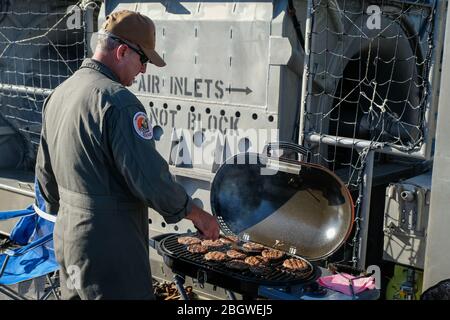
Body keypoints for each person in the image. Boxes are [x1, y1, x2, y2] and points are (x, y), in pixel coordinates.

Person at [35, 10, 220, 300]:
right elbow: (149, 178)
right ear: (122, 51)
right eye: (143, 59)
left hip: (68, 241)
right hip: (110, 250)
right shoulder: (119, 103)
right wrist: (197, 214)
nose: (144, 70)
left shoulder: (59, 93)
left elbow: (45, 181)